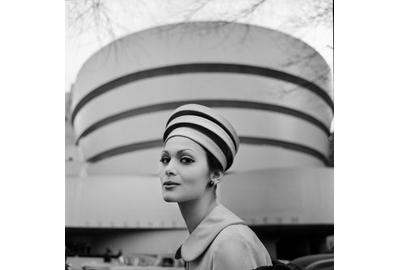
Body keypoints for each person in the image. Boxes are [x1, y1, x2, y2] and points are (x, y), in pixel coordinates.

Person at [159, 104, 272, 270]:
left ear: (216, 175)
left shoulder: (229, 244)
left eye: (186, 160)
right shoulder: (216, 240)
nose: (169, 169)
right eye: (165, 159)